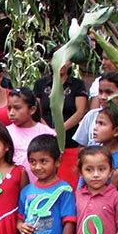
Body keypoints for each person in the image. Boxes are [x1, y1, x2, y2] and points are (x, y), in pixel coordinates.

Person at [34, 59, 88, 187]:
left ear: (70, 63)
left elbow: (80, 112)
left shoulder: (77, 84)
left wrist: (60, 130)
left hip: (69, 141)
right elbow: (36, 111)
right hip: (46, 137)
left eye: (65, 60)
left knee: (69, 182)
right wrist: (49, 131)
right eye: (58, 59)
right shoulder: (41, 84)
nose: (61, 64)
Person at [5, 87, 55, 183]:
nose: (11, 113)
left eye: (17, 108)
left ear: (32, 110)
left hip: (39, 188)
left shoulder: (47, 133)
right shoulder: (5, 133)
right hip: (12, 186)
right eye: (9, 108)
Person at [73, 71, 118, 149]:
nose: (103, 97)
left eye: (109, 92)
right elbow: (82, 147)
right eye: (100, 92)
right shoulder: (91, 116)